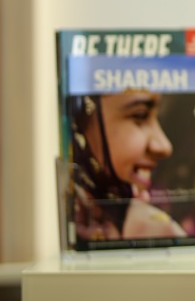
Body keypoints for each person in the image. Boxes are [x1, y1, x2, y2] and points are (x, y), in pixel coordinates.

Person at [70, 90, 187, 245]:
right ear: (80, 122)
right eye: (140, 115)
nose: (164, 146)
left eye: (157, 117)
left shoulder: (158, 229)